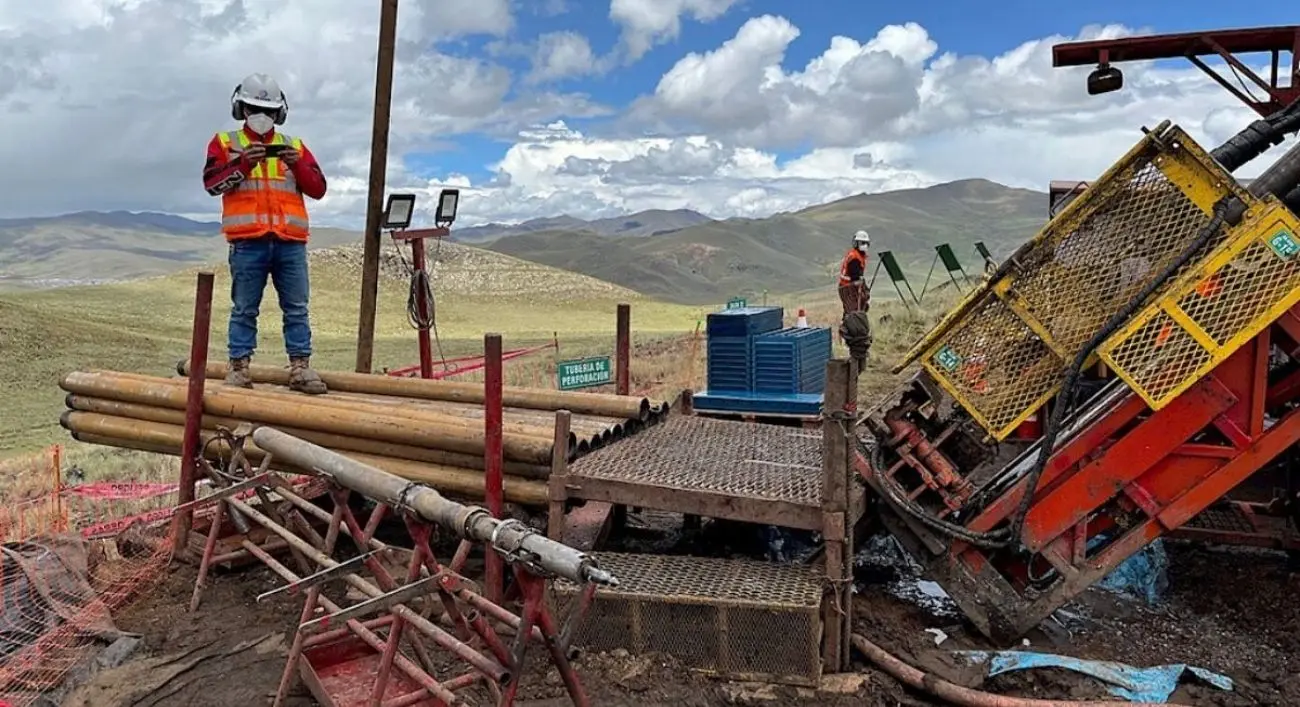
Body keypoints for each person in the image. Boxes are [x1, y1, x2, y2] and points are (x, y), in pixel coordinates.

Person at [202, 72, 328, 394]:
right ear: (240, 108)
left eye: (268, 111)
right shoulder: (225, 143)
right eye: (253, 108)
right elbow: (212, 185)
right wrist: (243, 164)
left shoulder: (294, 147)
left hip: (289, 242)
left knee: (297, 308)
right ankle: (239, 368)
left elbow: (318, 189)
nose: (261, 116)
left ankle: (300, 368)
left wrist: (298, 165)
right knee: (244, 308)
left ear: (279, 113)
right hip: (248, 243)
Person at [838, 230, 872, 315]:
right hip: (848, 287)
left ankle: (849, 325)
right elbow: (855, 277)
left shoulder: (855, 255)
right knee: (853, 311)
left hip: (846, 286)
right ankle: (849, 326)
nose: (864, 245)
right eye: (863, 243)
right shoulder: (855, 258)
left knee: (854, 309)